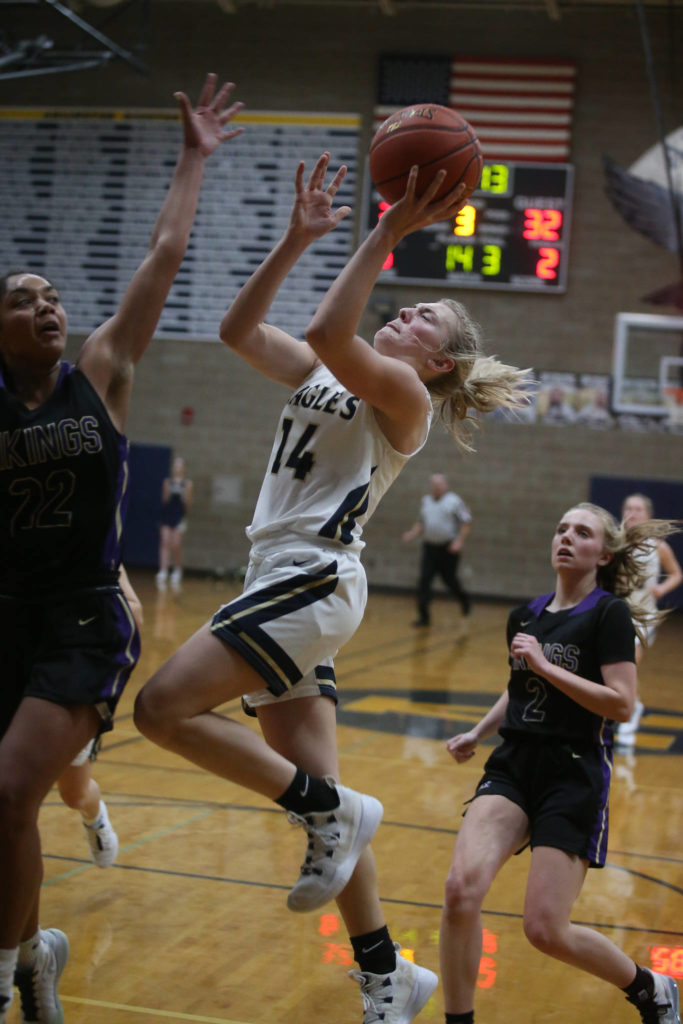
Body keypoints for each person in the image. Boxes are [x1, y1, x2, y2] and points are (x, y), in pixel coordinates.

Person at [133, 154, 530, 1023]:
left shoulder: (401, 401)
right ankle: (388, 972)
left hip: (310, 576)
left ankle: (331, 808)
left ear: (437, 364)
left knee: (160, 711)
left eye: (425, 316)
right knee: (319, 802)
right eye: (408, 301)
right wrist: (295, 238)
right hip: (280, 576)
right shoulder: (329, 372)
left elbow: (323, 330)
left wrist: (387, 230)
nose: (407, 311)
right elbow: (242, 331)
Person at [0, 73, 243, 1024]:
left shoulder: (99, 372)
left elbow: (164, 254)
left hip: (84, 620)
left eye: (54, 295)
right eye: (25, 298)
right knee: (8, 807)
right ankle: (35, 955)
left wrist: (192, 157)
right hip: (7, 615)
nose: (47, 305)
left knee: (16, 783)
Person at [439, 502, 681, 1024]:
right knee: (461, 891)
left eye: (583, 532)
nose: (567, 538)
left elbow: (620, 703)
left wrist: (547, 666)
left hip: (573, 771)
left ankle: (651, 987)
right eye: (561, 529)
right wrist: (479, 733)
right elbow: (518, 687)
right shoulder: (524, 616)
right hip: (514, 763)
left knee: (545, 930)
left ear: (603, 554)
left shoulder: (608, 614)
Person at [57, 566, 144, 868]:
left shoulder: (94, 540)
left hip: (70, 675)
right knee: (16, 800)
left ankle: (94, 816)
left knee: (74, 794)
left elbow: (134, 613)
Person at [616, 493, 683, 744]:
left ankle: (631, 712)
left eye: (637, 509)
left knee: (628, 664)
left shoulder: (658, 547)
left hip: (643, 616)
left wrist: (661, 589)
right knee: (611, 666)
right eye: (627, 508)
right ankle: (633, 703)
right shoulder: (616, 543)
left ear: (648, 515)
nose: (632, 513)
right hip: (617, 613)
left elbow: (676, 574)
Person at [402, 472, 472, 627]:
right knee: (424, 580)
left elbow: (466, 523)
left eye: (440, 485)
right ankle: (424, 617)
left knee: (449, 580)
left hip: (448, 548)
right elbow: (421, 522)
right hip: (430, 548)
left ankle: (464, 601)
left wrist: (458, 541)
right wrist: (412, 534)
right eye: (434, 485)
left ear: (445, 485)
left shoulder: (454, 501)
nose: (437, 488)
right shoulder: (426, 501)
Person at [156, 455, 194, 593]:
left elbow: (189, 505)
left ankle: (177, 569)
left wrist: (184, 495)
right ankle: (163, 570)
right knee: (165, 541)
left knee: (176, 544)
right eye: (175, 465)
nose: (177, 467)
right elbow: (165, 500)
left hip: (179, 517)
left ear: (183, 468)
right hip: (167, 515)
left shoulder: (187, 484)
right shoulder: (167, 482)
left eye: (180, 465)